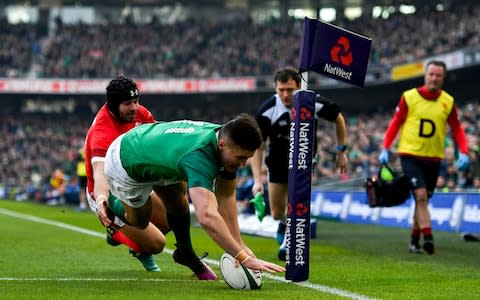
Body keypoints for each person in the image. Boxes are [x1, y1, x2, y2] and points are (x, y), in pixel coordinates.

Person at [103, 114, 285, 274]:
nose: (243, 164)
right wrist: (243, 257)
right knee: (140, 221)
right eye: (240, 158)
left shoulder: (225, 140)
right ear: (222, 145)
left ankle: (185, 253)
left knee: (178, 201)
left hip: (156, 152)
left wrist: (240, 246)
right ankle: (112, 206)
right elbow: (206, 216)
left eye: (247, 158)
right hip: (124, 160)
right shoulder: (199, 157)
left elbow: (226, 197)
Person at [85, 75, 215, 279]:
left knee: (175, 211)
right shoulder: (103, 130)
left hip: (136, 179)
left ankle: (185, 253)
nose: (134, 107)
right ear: (113, 104)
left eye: (136, 101)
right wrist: (101, 199)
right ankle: (116, 230)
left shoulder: (141, 114)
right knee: (157, 244)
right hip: (110, 190)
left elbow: (159, 142)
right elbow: (100, 174)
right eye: (128, 103)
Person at [250, 66, 349, 260]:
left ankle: (290, 239)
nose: (286, 95)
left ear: (299, 87)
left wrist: (341, 152)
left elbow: (339, 119)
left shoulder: (312, 102)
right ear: (276, 89)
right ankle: (284, 224)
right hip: (277, 161)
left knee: (295, 202)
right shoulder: (267, 111)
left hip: (304, 159)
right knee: (277, 211)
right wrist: (257, 180)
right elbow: (258, 146)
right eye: (281, 90)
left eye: (290, 90)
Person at [378, 60, 469, 255]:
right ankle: (428, 238)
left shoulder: (448, 101)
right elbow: (395, 123)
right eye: (431, 74)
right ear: (425, 75)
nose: (434, 78)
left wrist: (464, 151)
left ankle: (413, 241)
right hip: (410, 155)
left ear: (443, 79)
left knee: (423, 200)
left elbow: (457, 128)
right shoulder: (409, 97)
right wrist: (385, 147)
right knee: (420, 195)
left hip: (434, 159)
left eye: (438, 75)